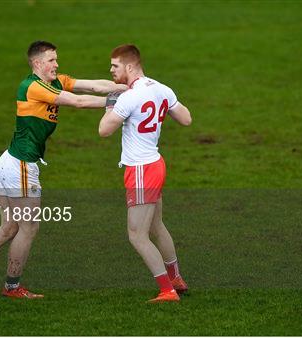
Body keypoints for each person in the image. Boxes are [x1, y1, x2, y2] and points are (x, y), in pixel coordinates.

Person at [0, 41, 128, 301]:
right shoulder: (32, 86)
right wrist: (115, 102)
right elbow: (77, 102)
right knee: (27, 228)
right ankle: (11, 286)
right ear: (37, 63)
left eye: (56, 59)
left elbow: (94, 85)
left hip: (10, 163)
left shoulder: (56, 81)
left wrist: (129, 85)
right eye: (52, 60)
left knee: (9, 228)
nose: (56, 64)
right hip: (20, 165)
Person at [99, 44, 192, 303]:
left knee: (137, 235)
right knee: (156, 226)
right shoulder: (161, 88)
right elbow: (186, 119)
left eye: (114, 66)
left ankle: (167, 290)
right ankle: (176, 278)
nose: (111, 70)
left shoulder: (128, 97)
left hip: (140, 170)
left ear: (129, 67)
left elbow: (103, 131)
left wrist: (110, 102)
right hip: (156, 163)